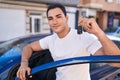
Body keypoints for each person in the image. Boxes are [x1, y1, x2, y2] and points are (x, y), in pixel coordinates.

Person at [17, 3, 120, 80]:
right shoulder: (50, 40)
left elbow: (116, 62)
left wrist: (99, 33)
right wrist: (24, 64)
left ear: (66, 18)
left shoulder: (83, 37)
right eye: (50, 18)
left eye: (58, 16)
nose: (54, 21)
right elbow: (28, 47)